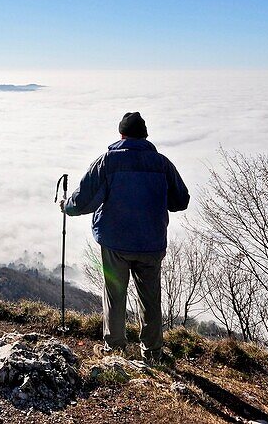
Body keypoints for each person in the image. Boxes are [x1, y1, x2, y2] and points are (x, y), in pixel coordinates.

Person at [60, 111, 189, 361]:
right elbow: (181, 201)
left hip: (115, 242)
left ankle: (115, 349)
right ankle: (152, 352)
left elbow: (82, 201)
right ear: (145, 136)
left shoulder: (108, 161)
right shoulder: (162, 163)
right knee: (150, 299)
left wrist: (66, 206)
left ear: (121, 135)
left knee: (115, 294)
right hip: (151, 242)